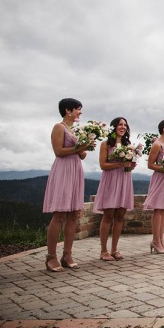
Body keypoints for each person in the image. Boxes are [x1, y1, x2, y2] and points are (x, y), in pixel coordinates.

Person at [42, 98, 92, 272]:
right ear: (68, 110)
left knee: (73, 214)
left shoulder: (76, 130)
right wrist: (79, 148)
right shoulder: (59, 127)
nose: (80, 112)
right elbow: (58, 151)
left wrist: (85, 146)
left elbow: (83, 155)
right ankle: (51, 257)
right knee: (60, 214)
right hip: (63, 170)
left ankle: (67, 254)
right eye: (78, 109)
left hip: (76, 170)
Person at [93, 117, 137, 261]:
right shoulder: (106, 144)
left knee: (120, 216)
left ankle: (114, 249)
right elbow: (103, 165)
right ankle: (103, 251)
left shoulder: (128, 145)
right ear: (114, 127)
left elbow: (129, 164)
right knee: (108, 216)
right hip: (111, 181)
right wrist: (120, 164)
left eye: (125, 124)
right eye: (120, 124)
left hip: (125, 180)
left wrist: (131, 164)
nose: (123, 127)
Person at [143, 120, 164, 254]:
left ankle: (160, 240)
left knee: (163, 211)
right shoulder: (157, 144)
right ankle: (155, 241)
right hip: (160, 179)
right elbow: (150, 165)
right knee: (158, 210)